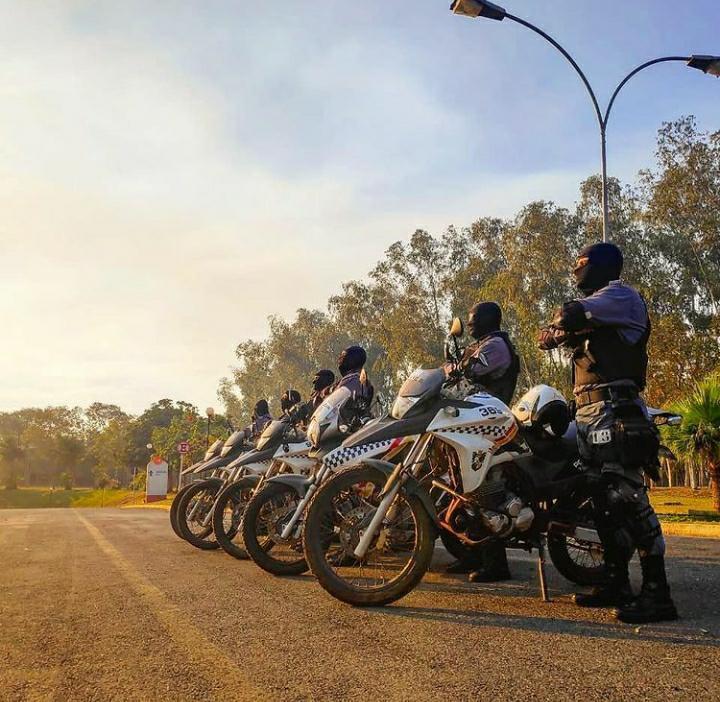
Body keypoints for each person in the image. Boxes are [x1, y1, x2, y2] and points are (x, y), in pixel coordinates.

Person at [538, 242, 677, 624]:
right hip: (589, 412)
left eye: (580, 263)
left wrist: (566, 324)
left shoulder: (620, 295)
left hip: (616, 410)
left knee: (628, 498)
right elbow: (544, 335)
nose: (575, 269)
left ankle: (658, 593)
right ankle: (616, 581)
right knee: (601, 501)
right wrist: (560, 328)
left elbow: (565, 316)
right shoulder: (602, 308)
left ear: (598, 266)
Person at [449, 302, 521, 583]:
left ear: (489, 320)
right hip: (473, 424)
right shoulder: (483, 345)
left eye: (473, 319)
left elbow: (470, 371)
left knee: (484, 491)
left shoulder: (496, 346)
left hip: (489, 426)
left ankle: (496, 563)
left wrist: (456, 365)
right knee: (463, 490)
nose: (469, 325)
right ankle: (471, 554)